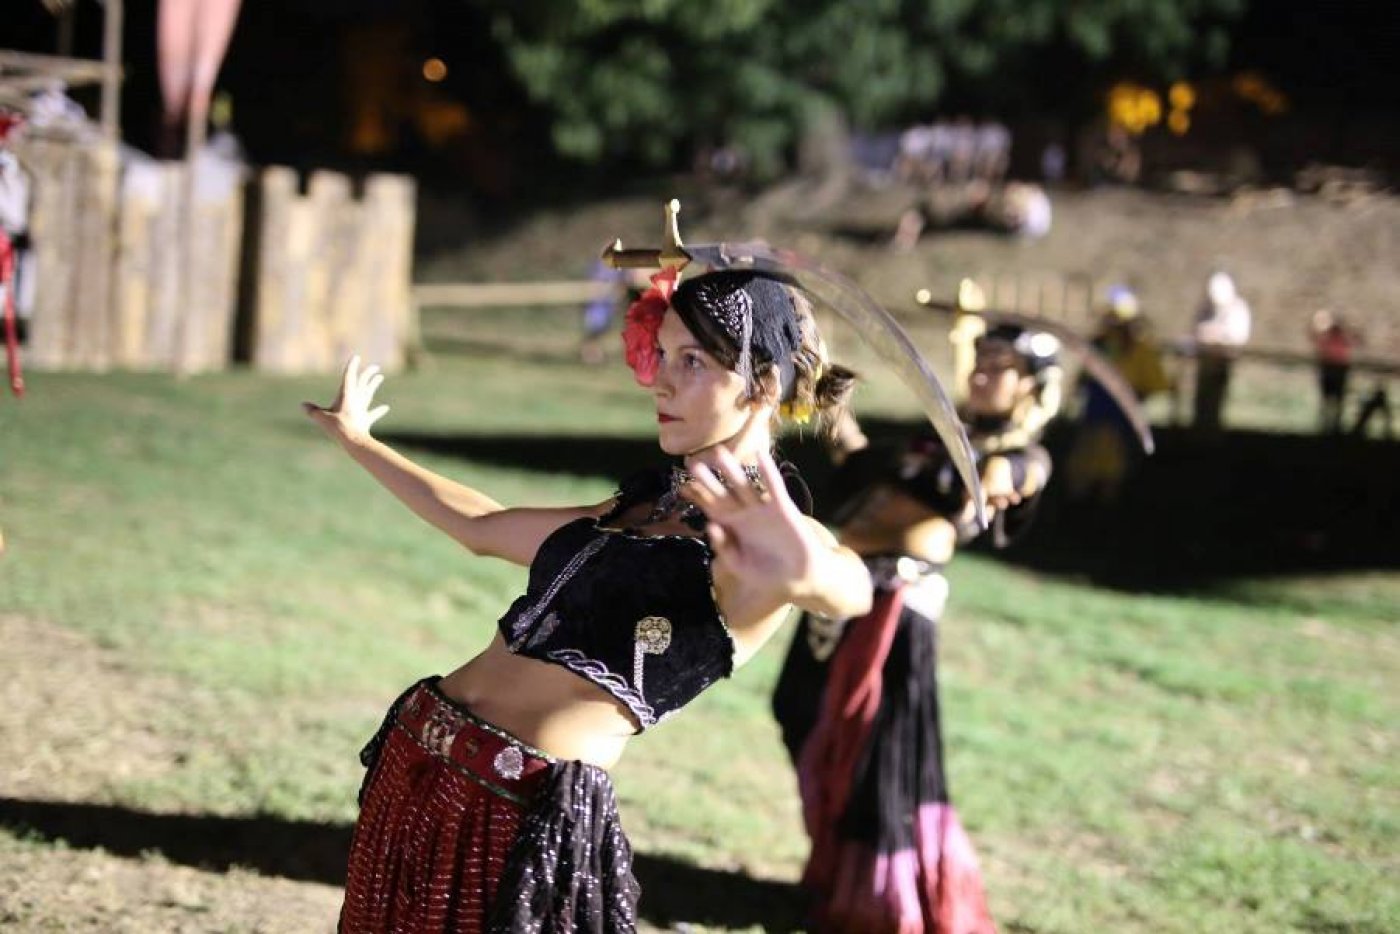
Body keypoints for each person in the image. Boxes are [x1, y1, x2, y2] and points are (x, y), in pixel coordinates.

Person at [304, 263, 876, 932]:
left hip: (510, 820)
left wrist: (812, 567)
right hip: (418, 770)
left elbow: (848, 589)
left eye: (692, 361)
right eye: (663, 354)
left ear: (765, 385)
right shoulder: (638, 505)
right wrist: (359, 441)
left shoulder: (767, 546)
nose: (661, 380)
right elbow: (482, 526)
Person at [772, 320, 1062, 934]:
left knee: (877, 748)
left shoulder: (1023, 455)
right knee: (801, 708)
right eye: (981, 361)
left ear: (1032, 387)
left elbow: (1010, 478)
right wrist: (826, 397)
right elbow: (860, 461)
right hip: (844, 587)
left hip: (897, 610)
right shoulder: (932, 439)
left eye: (1001, 367)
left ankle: (882, 897)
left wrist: (994, 476)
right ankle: (835, 865)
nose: (982, 374)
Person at [1065, 287, 1171, 504]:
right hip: (1095, 412)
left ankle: (1108, 503)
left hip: (1121, 417)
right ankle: (1078, 503)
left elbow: (1154, 383)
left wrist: (1135, 398)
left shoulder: (1140, 349)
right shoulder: (1099, 345)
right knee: (1084, 461)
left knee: (1114, 466)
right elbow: (1084, 376)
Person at [1190, 271, 1251, 432]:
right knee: (1201, 404)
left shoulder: (1238, 309)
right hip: (1204, 364)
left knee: (1216, 404)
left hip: (1222, 364)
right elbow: (1196, 330)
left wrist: (1217, 336)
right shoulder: (1205, 307)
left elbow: (1238, 337)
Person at [1307, 310, 1363, 433]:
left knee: (1332, 403)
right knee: (1331, 403)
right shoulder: (1333, 339)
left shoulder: (1333, 339)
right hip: (1333, 373)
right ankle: (1329, 427)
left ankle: (1331, 427)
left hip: (1335, 373)